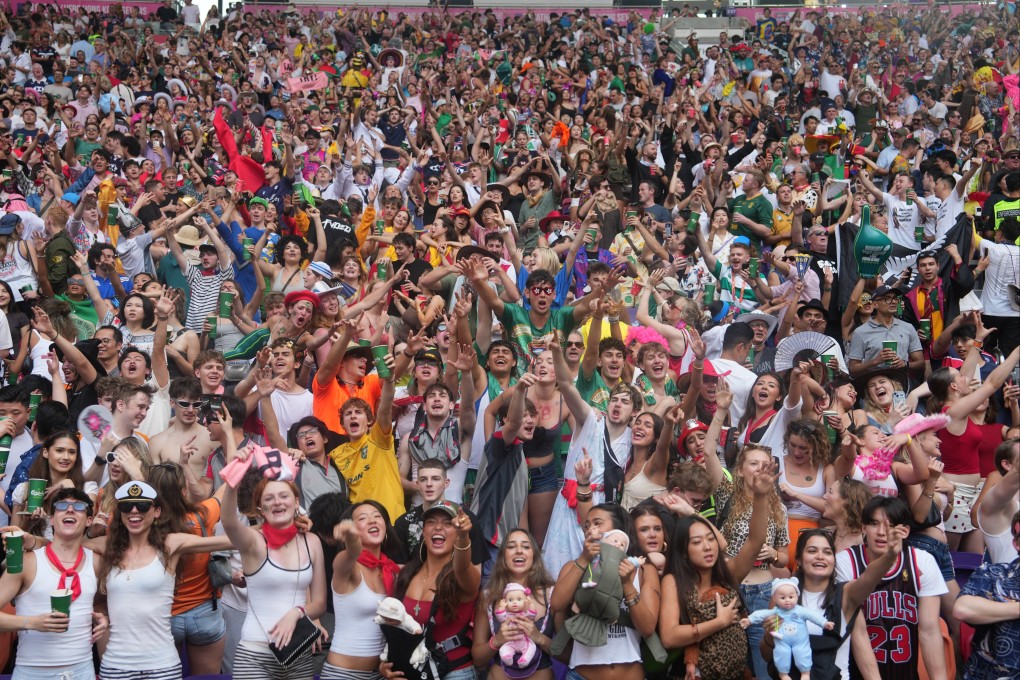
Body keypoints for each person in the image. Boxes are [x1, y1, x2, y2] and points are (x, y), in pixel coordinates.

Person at [94, 479, 232, 680]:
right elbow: (65, 544)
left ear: (156, 511)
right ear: (120, 512)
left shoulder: (170, 544)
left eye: (142, 505)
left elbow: (230, 541)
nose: (134, 511)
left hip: (162, 664)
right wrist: (90, 530)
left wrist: (274, 530)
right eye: (126, 506)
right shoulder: (107, 546)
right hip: (116, 664)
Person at [658, 458, 779, 680]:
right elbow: (669, 636)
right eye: (696, 542)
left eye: (710, 539)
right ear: (683, 549)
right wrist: (718, 623)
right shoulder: (674, 581)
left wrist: (761, 496)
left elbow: (754, 542)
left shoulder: (728, 574)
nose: (707, 546)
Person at [835, 496, 949, 680]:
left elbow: (929, 630)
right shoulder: (846, 561)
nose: (881, 532)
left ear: (905, 530)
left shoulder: (922, 561)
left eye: (890, 525)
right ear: (863, 528)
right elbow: (858, 632)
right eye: (874, 524)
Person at [0, 488, 109, 680]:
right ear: (51, 519)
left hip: (82, 670)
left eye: (78, 507)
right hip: (32, 671)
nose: (69, 510)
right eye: (61, 506)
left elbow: (99, 603)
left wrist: (103, 618)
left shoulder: (97, 563)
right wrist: (31, 622)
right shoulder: (27, 562)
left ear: (89, 521)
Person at [551, 503, 661, 680]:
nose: (590, 530)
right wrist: (584, 559)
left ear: (619, 530)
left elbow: (648, 629)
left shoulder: (644, 570)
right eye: (587, 526)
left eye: (597, 523)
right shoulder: (574, 566)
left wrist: (627, 585)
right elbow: (556, 604)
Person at [384, 501, 481, 680]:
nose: (438, 527)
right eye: (431, 522)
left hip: (454, 672)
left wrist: (463, 537)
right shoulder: (407, 573)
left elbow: (462, 567)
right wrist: (386, 664)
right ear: (423, 531)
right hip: (414, 671)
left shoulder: (464, 574)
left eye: (447, 523)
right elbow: (395, 628)